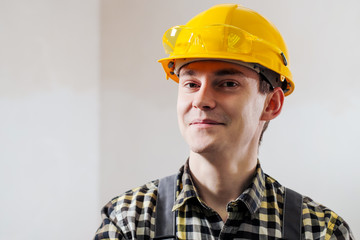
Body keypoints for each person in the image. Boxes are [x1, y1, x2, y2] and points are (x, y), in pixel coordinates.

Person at [94, 4, 354, 239]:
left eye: (228, 84)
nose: (201, 100)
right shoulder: (127, 221)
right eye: (191, 84)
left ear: (271, 104)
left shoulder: (320, 231)